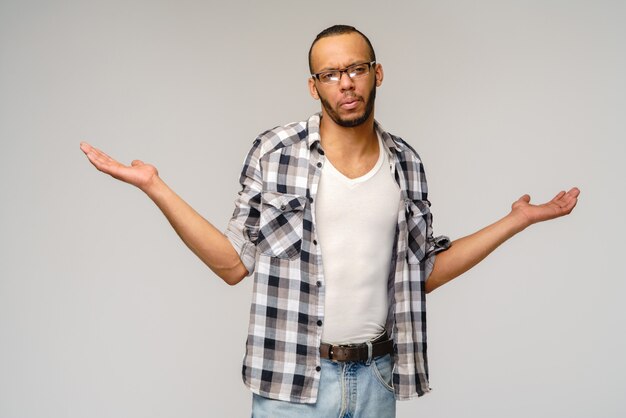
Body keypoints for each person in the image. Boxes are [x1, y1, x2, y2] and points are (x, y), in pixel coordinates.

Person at [80, 25, 579, 418]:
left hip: (378, 379)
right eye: (330, 74)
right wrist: (155, 187)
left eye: (356, 69)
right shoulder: (274, 152)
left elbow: (422, 271)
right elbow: (233, 264)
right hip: (291, 384)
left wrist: (516, 221)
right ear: (313, 84)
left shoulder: (405, 163)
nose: (345, 83)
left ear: (377, 74)